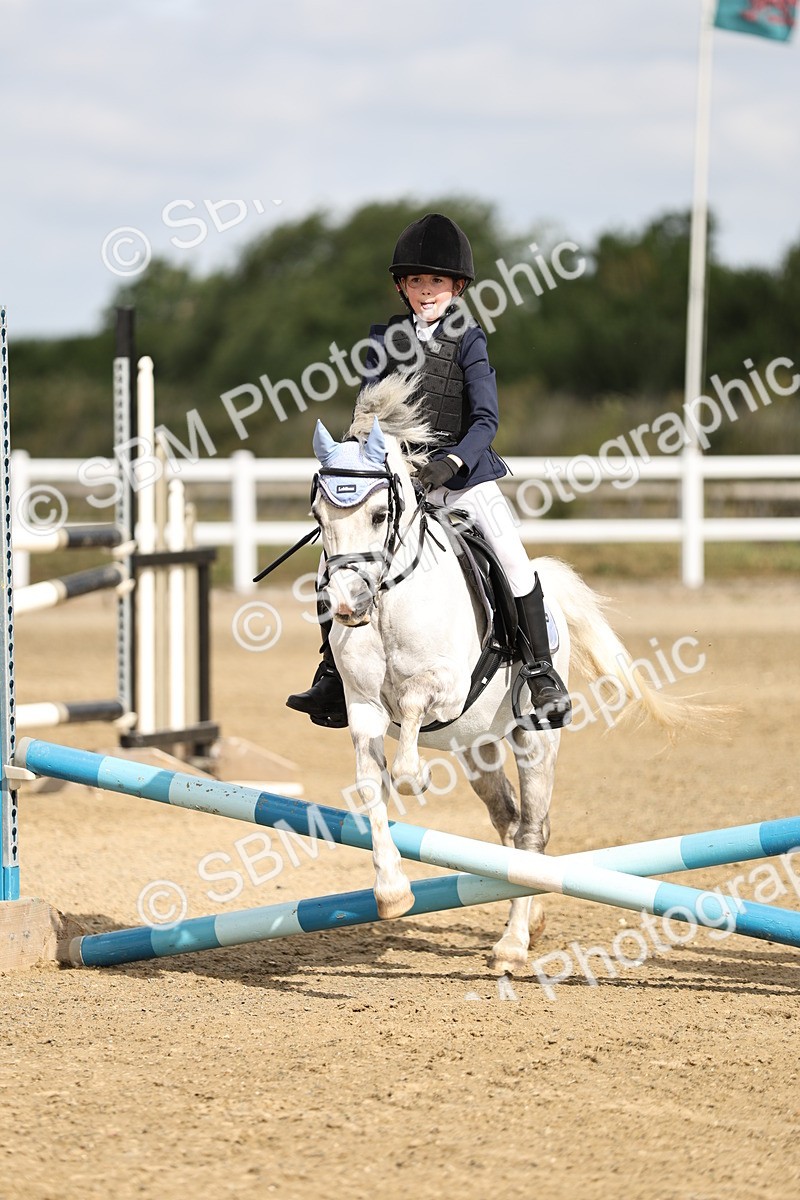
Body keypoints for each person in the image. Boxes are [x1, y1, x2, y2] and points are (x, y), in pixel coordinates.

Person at [287, 213, 572, 730]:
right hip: (400, 479)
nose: (425, 291)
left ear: (457, 286)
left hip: (464, 476)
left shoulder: (469, 340)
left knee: (512, 558)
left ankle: (540, 673)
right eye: (416, 281)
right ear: (402, 286)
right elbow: (367, 412)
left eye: (436, 281)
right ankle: (333, 672)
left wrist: (452, 462)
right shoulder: (385, 341)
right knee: (341, 559)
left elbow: (487, 420)